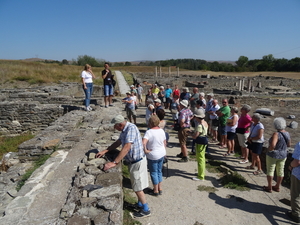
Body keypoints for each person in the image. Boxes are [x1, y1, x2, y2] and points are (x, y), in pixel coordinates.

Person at [96, 115, 151, 218]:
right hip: (135, 161)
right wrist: (106, 150)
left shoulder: (131, 128)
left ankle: (146, 209)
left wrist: (115, 162)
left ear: (120, 125)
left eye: (115, 127)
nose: (114, 129)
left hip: (137, 162)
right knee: (137, 183)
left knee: (137, 187)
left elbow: (126, 147)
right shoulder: (125, 129)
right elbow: (118, 142)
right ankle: (139, 204)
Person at [263, 117, 291, 193]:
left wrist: (269, 150)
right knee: (280, 171)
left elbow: (273, 145)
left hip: (273, 155)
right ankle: (277, 186)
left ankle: (269, 187)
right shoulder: (287, 133)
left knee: (270, 170)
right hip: (283, 154)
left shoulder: (276, 134)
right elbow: (289, 144)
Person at [143, 115, 166, 196]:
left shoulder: (149, 132)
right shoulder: (161, 131)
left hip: (152, 155)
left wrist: (145, 150)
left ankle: (155, 190)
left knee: (153, 172)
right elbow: (164, 143)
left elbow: (143, 142)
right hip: (161, 153)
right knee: (159, 171)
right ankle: (160, 188)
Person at [191, 110, 208, 181]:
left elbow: (195, 136)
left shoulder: (200, 126)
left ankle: (201, 176)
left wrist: (190, 134)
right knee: (202, 158)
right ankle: (201, 172)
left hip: (200, 142)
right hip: (204, 141)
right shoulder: (205, 123)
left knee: (200, 159)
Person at [287, 142, 300, 223]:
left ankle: (296, 215)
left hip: (298, 174)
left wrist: (291, 165)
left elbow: (297, 162)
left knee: (296, 194)